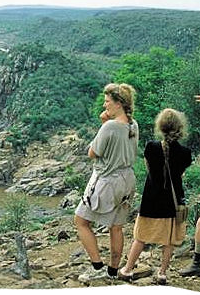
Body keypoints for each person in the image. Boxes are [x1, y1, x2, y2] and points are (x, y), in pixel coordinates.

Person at [118, 109, 192, 285]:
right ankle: (162, 273)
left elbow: (151, 171)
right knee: (169, 239)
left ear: (160, 126)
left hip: (151, 201)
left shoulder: (151, 147)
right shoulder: (185, 152)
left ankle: (127, 269)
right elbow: (180, 174)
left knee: (140, 237)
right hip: (173, 204)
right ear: (180, 128)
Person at [74, 83, 138, 282]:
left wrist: (102, 124)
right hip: (127, 179)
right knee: (116, 227)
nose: (105, 105)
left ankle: (97, 267)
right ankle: (112, 270)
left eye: (108, 101)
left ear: (118, 103)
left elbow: (92, 153)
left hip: (107, 181)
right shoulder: (133, 124)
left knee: (81, 221)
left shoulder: (110, 126)